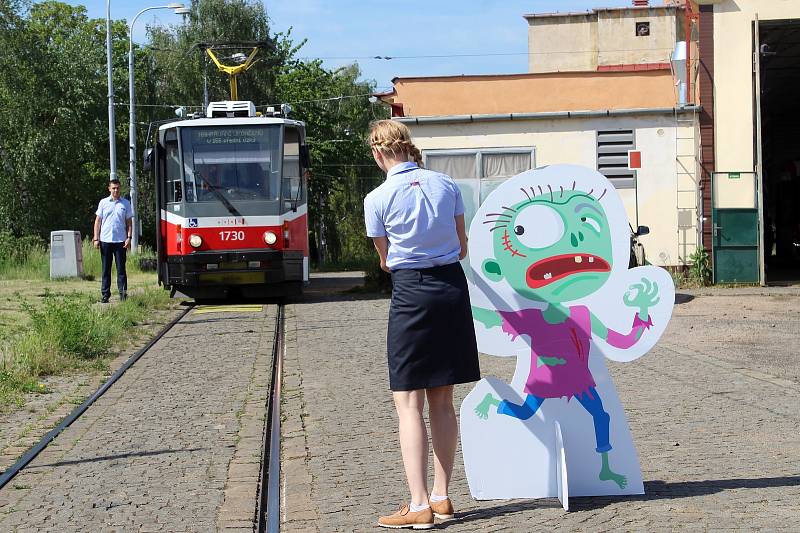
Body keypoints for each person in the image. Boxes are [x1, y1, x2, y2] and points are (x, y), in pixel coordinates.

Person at [363, 120, 481, 529]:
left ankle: (418, 506)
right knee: (443, 401)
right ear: (409, 148)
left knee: (408, 403)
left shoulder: (377, 198)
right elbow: (462, 245)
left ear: (378, 154)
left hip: (411, 292)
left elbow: (385, 259)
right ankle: (442, 497)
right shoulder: (446, 185)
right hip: (451, 287)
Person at [93, 179, 133, 303]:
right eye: (113, 188)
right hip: (105, 240)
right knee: (106, 269)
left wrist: (129, 237)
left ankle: (123, 294)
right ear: (109, 189)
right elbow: (98, 222)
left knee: (121, 269)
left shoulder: (125, 203)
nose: (116, 190)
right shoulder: (103, 203)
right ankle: (105, 294)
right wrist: (96, 238)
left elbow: (129, 222)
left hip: (120, 241)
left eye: (117, 188)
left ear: (120, 189)